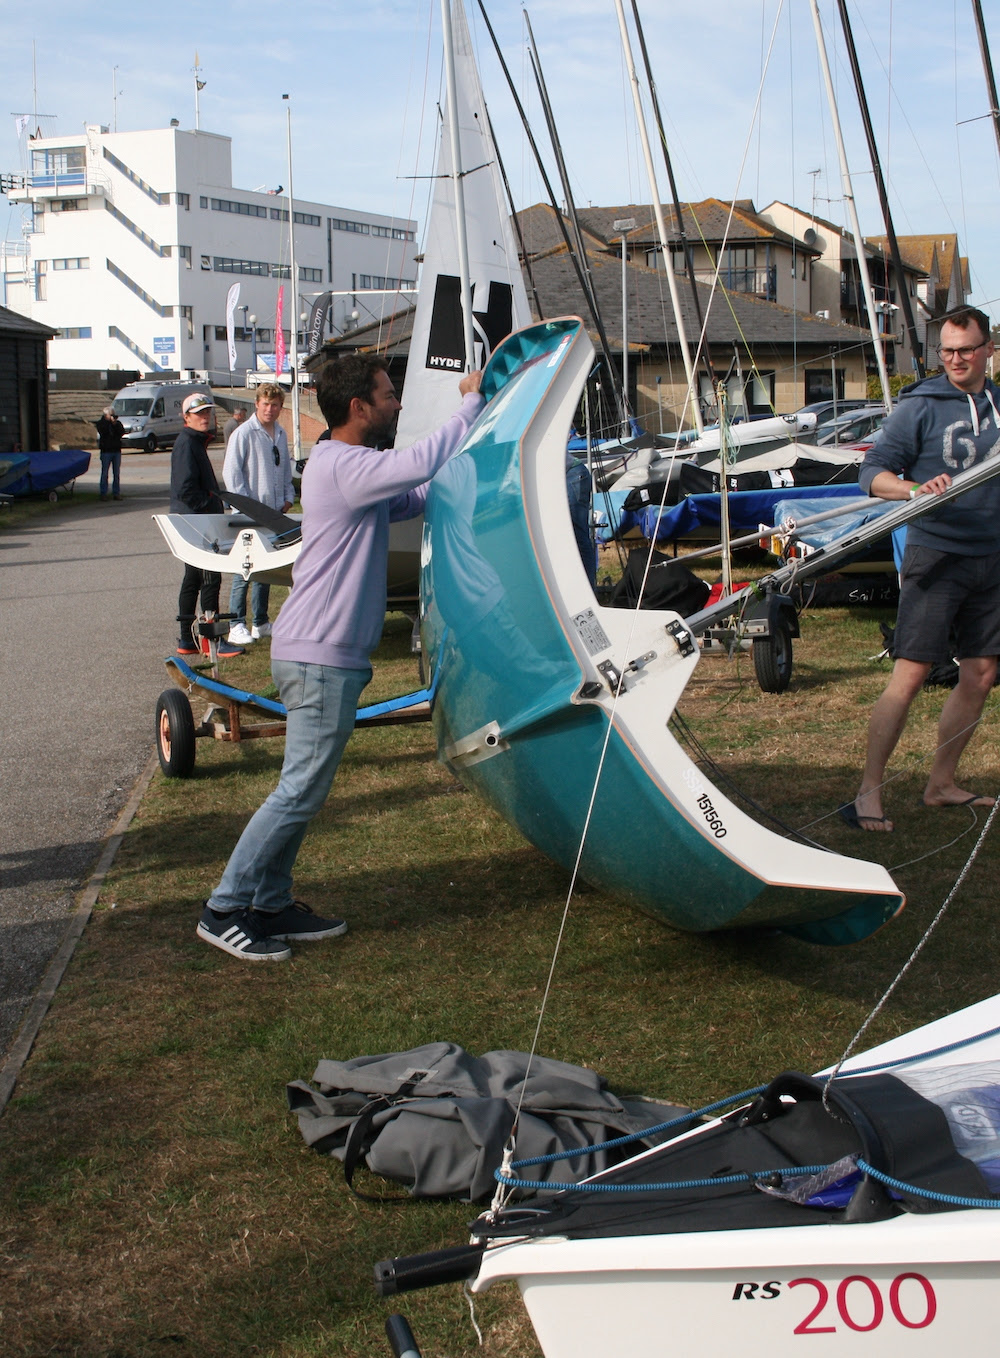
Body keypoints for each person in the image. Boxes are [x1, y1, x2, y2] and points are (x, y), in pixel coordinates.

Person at [197, 355, 484, 960]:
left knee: (304, 789)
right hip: (319, 658)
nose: (397, 404)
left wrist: (475, 461)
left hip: (324, 656)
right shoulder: (343, 465)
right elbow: (419, 462)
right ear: (359, 407)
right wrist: (471, 402)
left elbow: (418, 492)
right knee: (298, 790)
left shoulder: (350, 470)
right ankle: (224, 908)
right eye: (388, 395)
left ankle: (270, 903)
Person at [846, 306, 1000, 833]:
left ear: (987, 350)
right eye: (947, 351)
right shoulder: (920, 405)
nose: (955, 360)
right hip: (937, 554)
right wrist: (913, 489)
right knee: (909, 675)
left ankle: (941, 784)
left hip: (991, 557)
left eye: (966, 350)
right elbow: (871, 474)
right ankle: (868, 791)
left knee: (981, 674)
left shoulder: (998, 404)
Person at [171, 392, 243, 659]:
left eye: (207, 412)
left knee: (193, 578)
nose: (205, 417)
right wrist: (211, 503)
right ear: (186, 417)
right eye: (199, 413)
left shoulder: (194, 442)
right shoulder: (187, 443)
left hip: (194, 521)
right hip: (197, 522)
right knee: (210, 578)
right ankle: (212, 640)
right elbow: (185, 489)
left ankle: (187, 639)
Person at [223, 383, 293, 645]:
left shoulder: (281, 434)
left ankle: (260, 622)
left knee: (266, 568)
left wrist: (288, 496)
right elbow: (232, 473)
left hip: (273, 513)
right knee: (244, 568)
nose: (269, 409)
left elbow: (284, 469)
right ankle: (236, 623)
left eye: (274, 405)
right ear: (256, 404)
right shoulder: (243, 434)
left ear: (280, 407)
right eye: (265, 404)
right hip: (250, 513)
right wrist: (245, 506)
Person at [94, 406, 125, 501]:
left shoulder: (117, 423)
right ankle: (103, 493)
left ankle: (116, 493)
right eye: (111, 415)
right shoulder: (101, 423)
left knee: (116, 473)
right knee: (105, 473)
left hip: (116, 451)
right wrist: (109, 423)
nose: (113, 417)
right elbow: (103, 432)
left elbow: (121, 432)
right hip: (106, 451)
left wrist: (115, 424)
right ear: (106, 415)